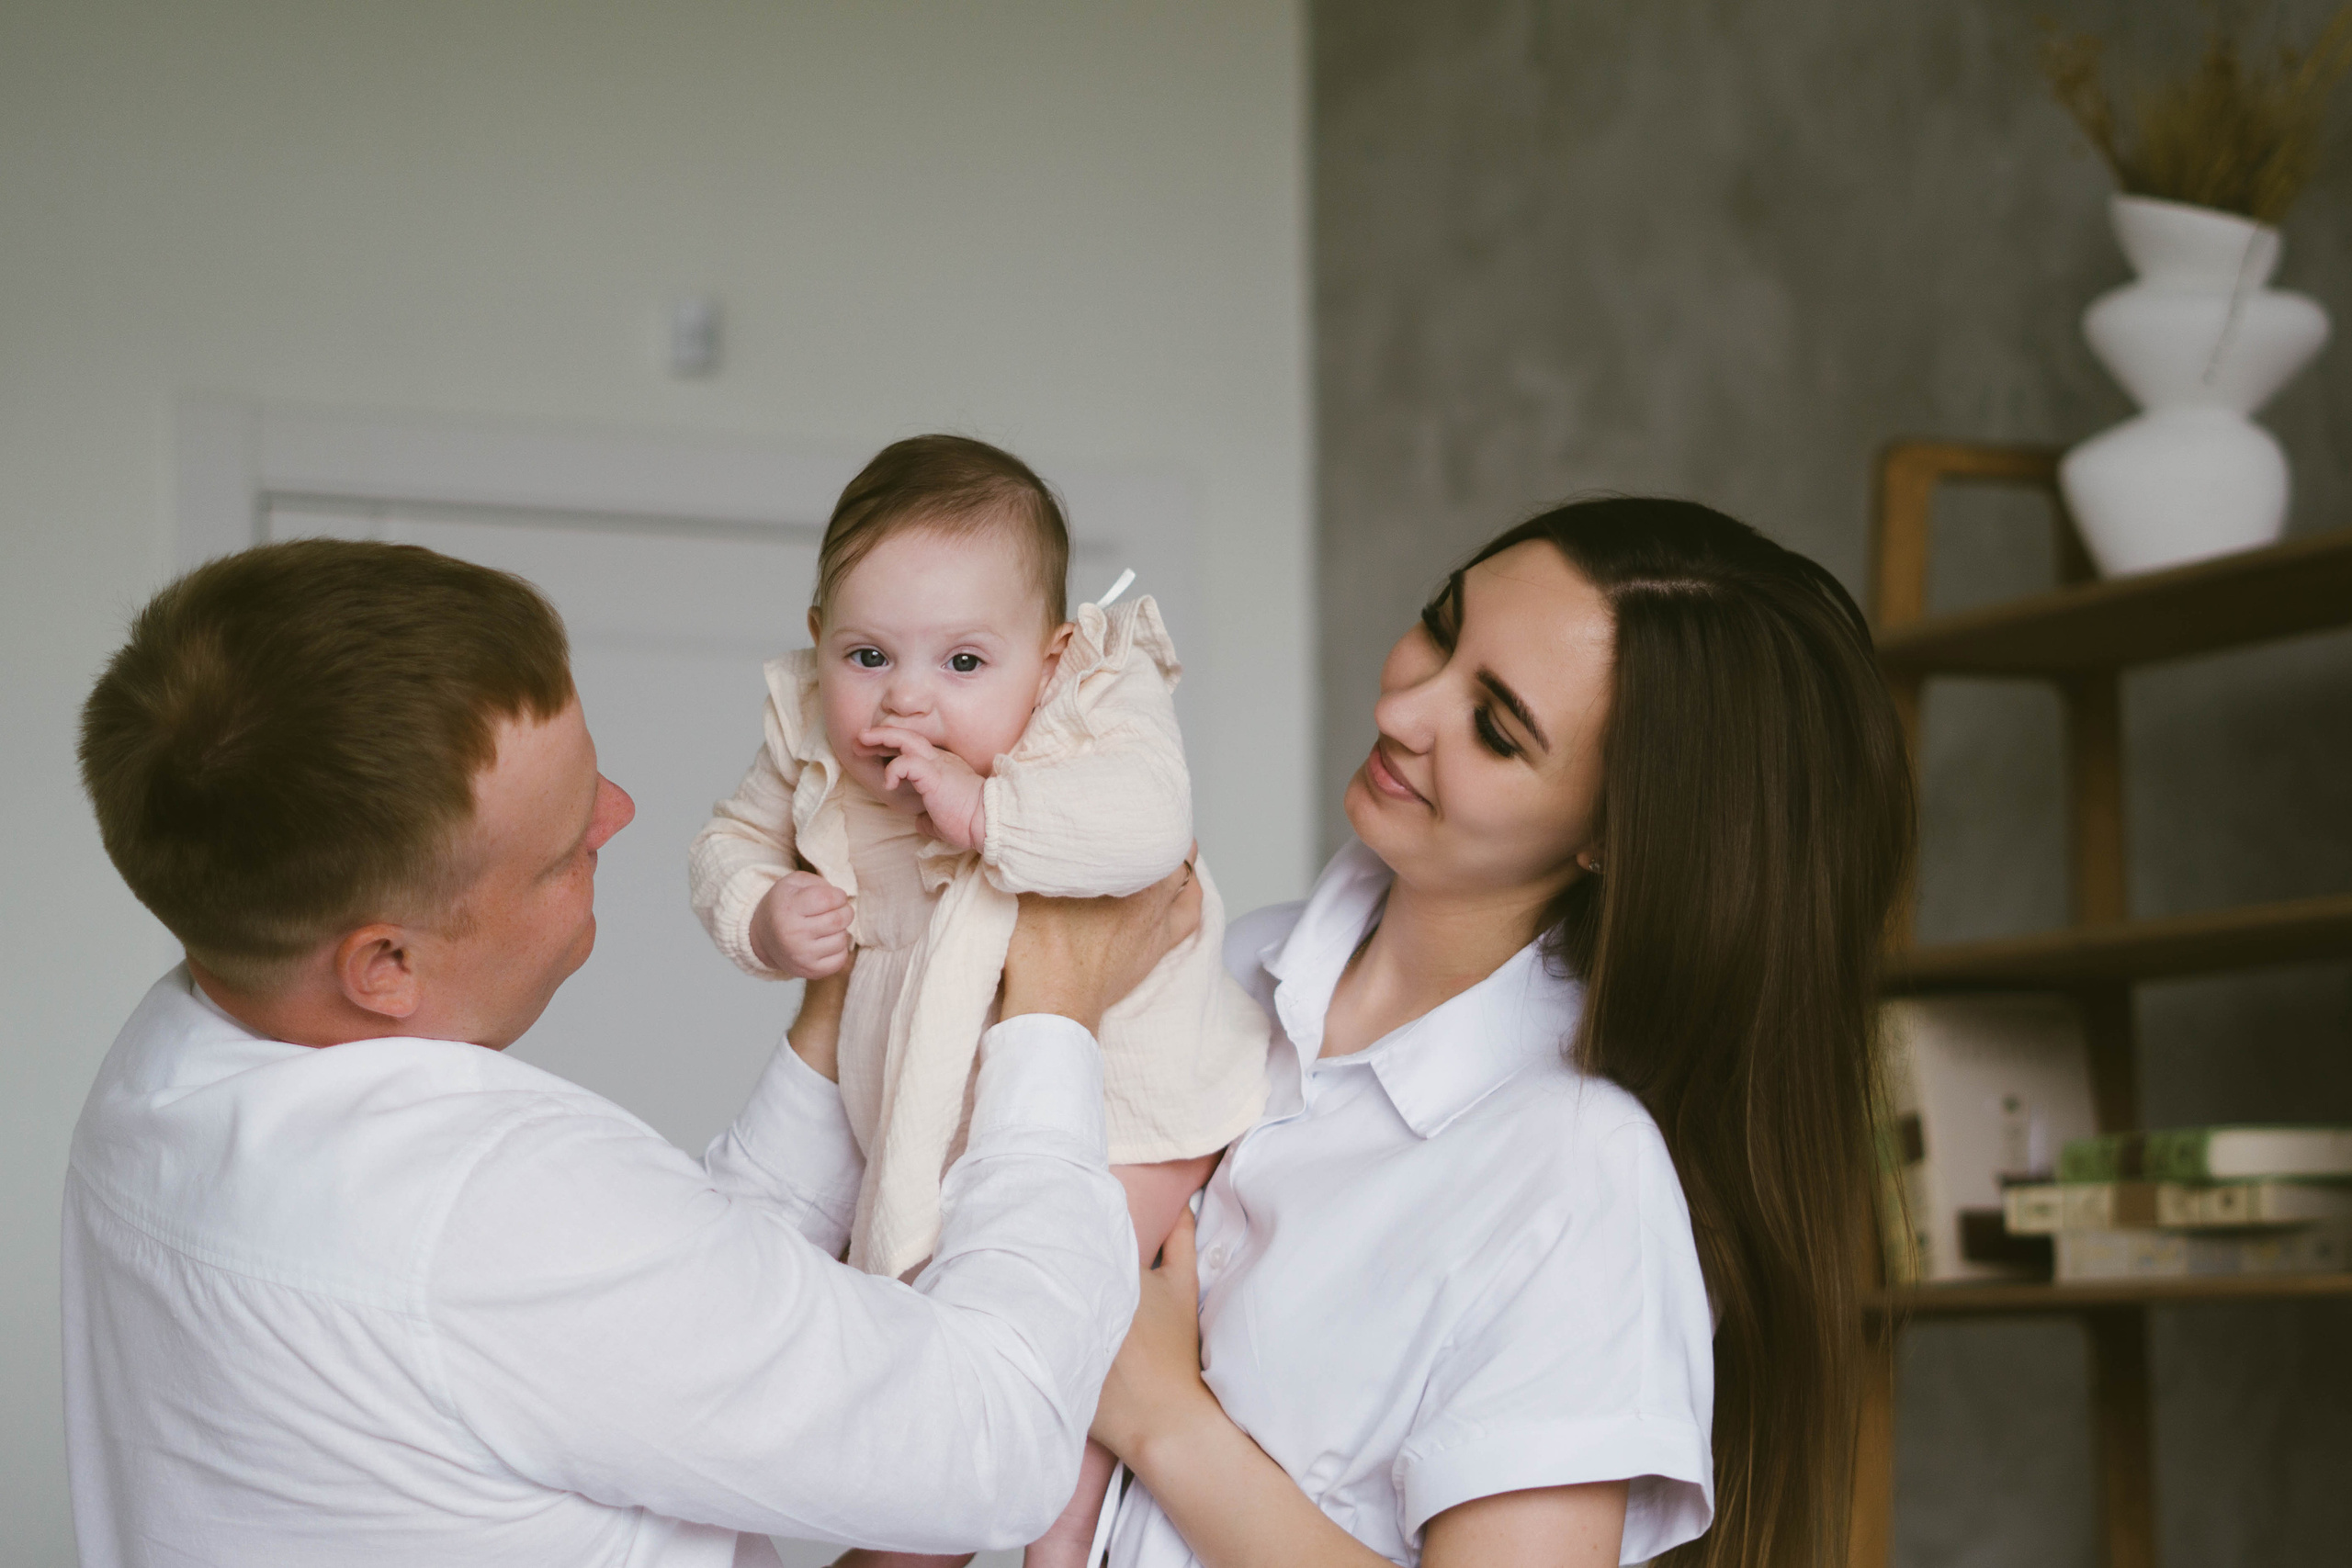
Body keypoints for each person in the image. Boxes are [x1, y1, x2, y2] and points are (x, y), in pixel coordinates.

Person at [63, 536, 1198, 1567]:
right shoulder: (486, 1213)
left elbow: (652, 1331)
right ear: (385, 966)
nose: (619, 812)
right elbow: (987, 1448)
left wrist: (828, 1025)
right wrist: (1057, 1013)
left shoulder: (172, 1062)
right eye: (564, 849)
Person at [1086, 498, 1916, 1568]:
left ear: (1616, 834)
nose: (1405, 709)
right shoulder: (1235, 965)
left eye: (1494, 726)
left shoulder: (1578, 1176)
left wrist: (1164, 1418)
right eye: (1440, 624)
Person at [688, 435, 1269, 1567]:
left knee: (1058, 1345)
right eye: (867, 655)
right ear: (817, 641)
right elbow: (723, 844)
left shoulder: (1094, 702)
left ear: (1046, 659)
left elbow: (1149, 827)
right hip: (926, 1096)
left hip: (1128, 1110)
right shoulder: (810, 730)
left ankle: (1045, 1545)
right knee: (950, 1356)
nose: (906, 698)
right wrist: (760, 911)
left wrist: (986, 816)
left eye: (964, 663)